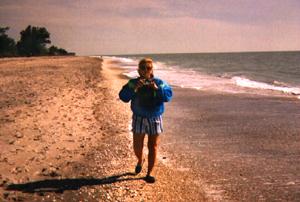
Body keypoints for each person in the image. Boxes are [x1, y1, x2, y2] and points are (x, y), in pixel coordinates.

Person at [119, 58, 172, 183]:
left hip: (155, 118)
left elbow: (168, 96)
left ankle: (150, 173)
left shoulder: (159, 83)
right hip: (139, 117)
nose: (145, 70)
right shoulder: (133, 83)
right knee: (137, 146)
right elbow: (123, 96)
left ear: (152, 69)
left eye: (148, 68)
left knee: (152, 146)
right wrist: (134, 89)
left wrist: (157, 89)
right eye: (143, 67)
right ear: (138, 70)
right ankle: (140, 159)